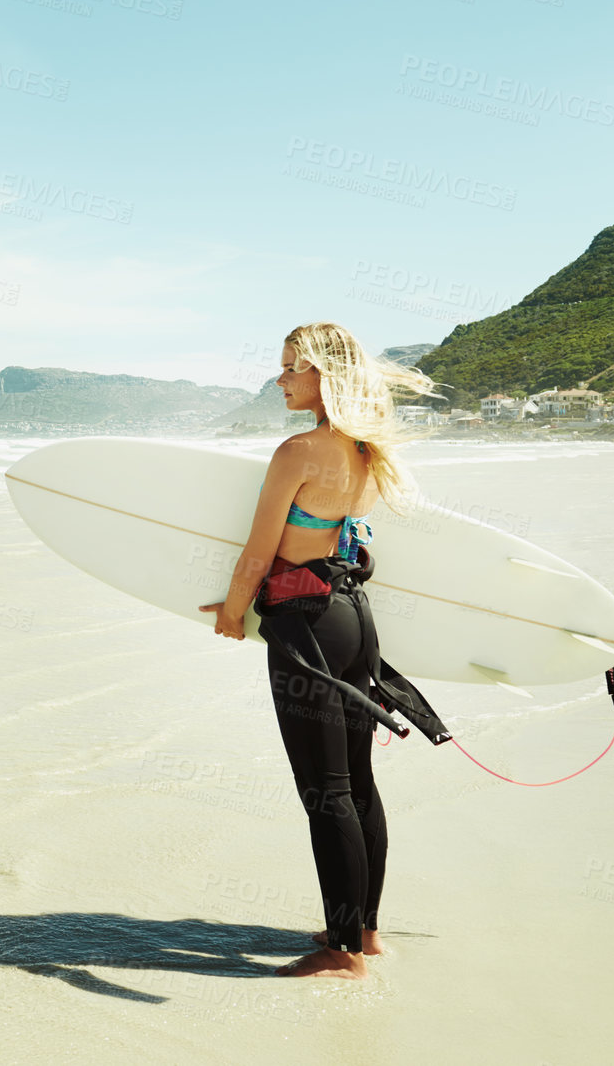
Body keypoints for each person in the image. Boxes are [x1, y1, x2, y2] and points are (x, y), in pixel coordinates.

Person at [198, 322, 444, 979]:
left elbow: (260, 547)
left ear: (322, 375)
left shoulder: (297, 451)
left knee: (325, 791)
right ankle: (363, 931)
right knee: (357, 784)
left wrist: (230, 609)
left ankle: (340, 954)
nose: (278, 379)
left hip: (305, 624)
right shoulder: (366, 450)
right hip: (354, 619)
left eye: (289, 368)